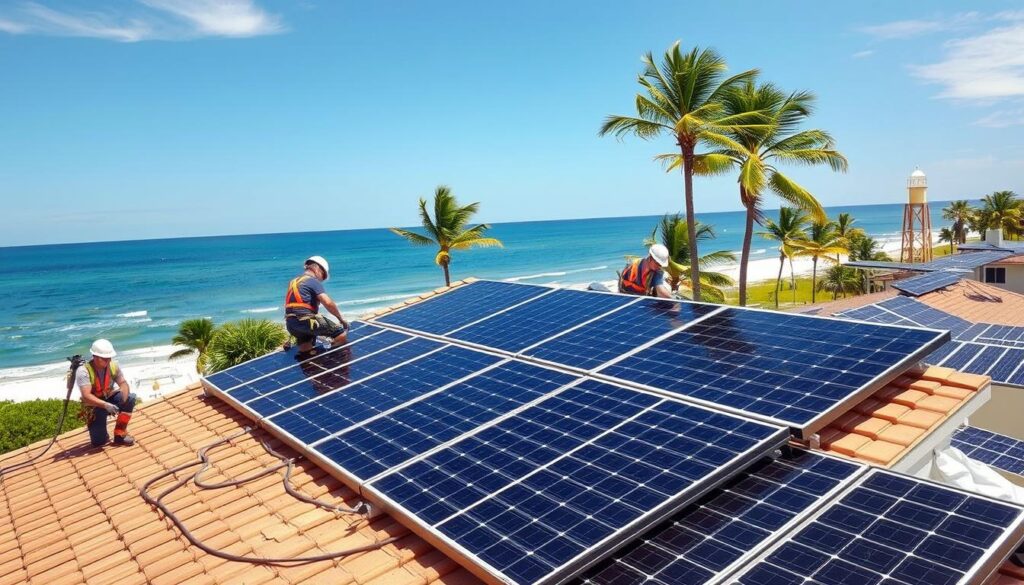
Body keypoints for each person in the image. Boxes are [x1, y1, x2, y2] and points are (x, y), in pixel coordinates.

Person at [285, 255, 349, 358]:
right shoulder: (311, 281)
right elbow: (328, 303)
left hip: (291, 323)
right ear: (317, 268)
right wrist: (340, 319)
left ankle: (311, 366)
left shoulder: (293, 282)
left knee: (305, 346)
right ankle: (335, 363)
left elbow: (299, 303)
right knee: (340, 335)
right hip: (306, 320)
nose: (321, 280)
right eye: (323, 275)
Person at [77, 339, 136, 447]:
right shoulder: (83, 371)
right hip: (94, 406)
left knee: (130, 398)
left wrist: (124, 400)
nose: (108, 361)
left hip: (109, 397)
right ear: (95, 357)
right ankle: (101, 434)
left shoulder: (113, 366)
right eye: (104, 359)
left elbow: (123, 383)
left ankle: (120, 434)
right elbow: (86, 396)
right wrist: (105, 405)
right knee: (99, 442)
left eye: (109, 358)